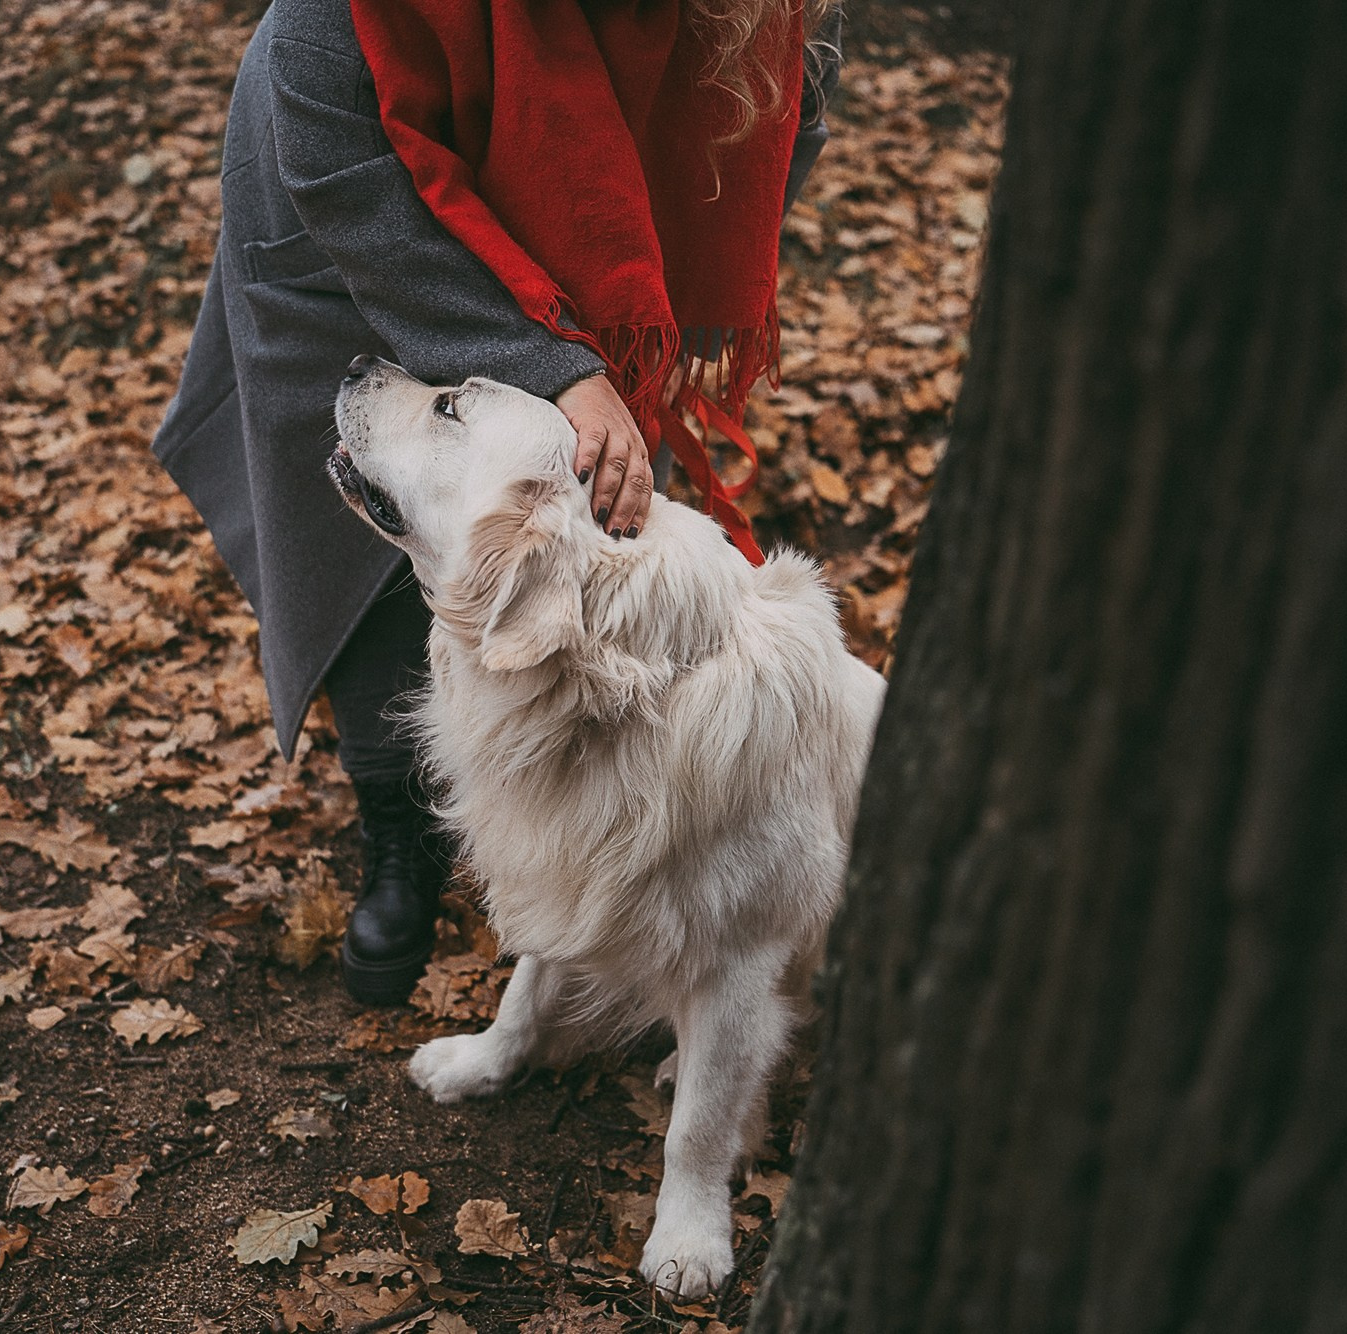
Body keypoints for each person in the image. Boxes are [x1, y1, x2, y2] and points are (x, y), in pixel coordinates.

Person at [151, 0, 841, 1003]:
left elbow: (791, 108)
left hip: (595, 224)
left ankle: (570, 812)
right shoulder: (325, 29)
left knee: (565, 546)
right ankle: (400, 824)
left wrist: (664, 295)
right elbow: (344, 180)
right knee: (366, 536)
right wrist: (539, 363)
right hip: (349, 232)